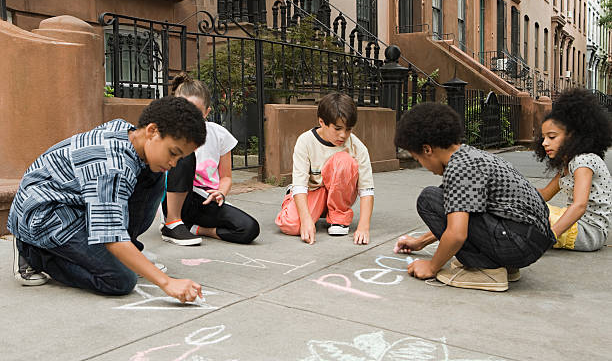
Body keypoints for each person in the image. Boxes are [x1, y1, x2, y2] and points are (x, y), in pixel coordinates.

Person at [8, 96, 207, 303]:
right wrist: (166, 282)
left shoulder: (127, 131)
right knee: (120, 280)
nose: (174, 163)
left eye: (179, 158)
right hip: (44, 215)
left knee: (153, 172)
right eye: (173, 153)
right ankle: (33, 252)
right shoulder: (112, 168)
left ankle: (126, 254)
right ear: (152, 131)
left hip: (70, 202)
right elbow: (111, 237)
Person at [393, 102, 556, 292]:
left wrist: (431, 267)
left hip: (516, 243)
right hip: (527, 244)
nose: (422, 164)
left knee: (429, 199)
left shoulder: (459, 167)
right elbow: (460, 212)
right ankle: (506, 267)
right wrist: (420, 242)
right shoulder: (470, 156)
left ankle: (488, 271)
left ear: (427, 149)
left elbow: (456, 233)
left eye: (417, 158)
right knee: (442, 197)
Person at [159, 73, 260, 246]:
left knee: (249, 228)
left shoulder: (219, 135)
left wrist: (221, 192)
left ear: (206, 112)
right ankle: (172, 223)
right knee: (184, 153)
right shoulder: (166, 133)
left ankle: (195, 229)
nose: (188, 118)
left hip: (206, 201)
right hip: (179, 200)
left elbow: (226, 177)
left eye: (195, 113)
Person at [275, 92, 374, 245]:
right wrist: (306, 220)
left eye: (348, 129)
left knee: (344, 160)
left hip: (339, 193)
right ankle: (293, 199)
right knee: (292, 226)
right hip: (314, 190)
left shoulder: (357, 146)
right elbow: (300, 185)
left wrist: (363, 226)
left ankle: (338, 217)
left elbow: (367, 190)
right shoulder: (305, 141)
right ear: (322, 122)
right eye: (338, 128)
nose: (343, 135)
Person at [534, 89, 612, 251]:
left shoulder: (583, 161)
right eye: (544, 137)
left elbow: (579, 206)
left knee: (525, 221)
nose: (544, 143)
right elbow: (545, 195)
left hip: (589, 232)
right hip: (577, 224)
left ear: (572, 136)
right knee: (527, 212)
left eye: (552, 137)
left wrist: (551, 235)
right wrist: (515, 192)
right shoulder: (568, 164)